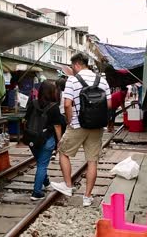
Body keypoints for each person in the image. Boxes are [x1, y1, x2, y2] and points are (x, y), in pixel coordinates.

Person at [51, 53, 111, 207]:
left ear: (77, 64)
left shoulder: (72, 80)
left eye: (72, 66)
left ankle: (68, 186)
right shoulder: (102, 81)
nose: (72, 69)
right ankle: (87, 197)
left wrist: (70, 121)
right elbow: (109, 105)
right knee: (92, 161)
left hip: (78, 125)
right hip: (97, 126)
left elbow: (67, 104)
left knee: (63, 152)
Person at [24, 80, 62, 200]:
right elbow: (57, 126)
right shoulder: (54, 107)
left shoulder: (32, 103)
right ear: (52, 92)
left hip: (32, 139)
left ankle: (46, 182)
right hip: (46, 140)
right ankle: (37, 192)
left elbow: (25, 120)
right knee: (42, 165)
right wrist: (59, 142)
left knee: (40, 162)